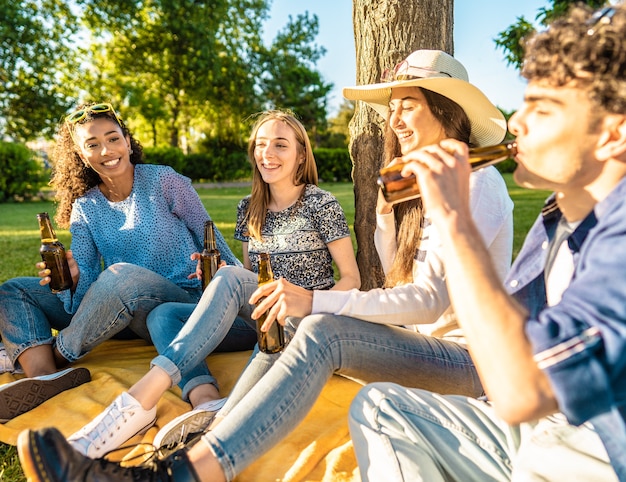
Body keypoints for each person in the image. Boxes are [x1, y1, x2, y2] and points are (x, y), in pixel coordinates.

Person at [15, 50, 515, 481]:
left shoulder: (478, 181)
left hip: (466, 358)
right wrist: (388, 220)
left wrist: (311, 298)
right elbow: (401, 281)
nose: (396, 119)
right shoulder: (414, 186)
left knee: (317, 328)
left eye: (409, 105)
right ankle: (196, 426)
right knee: (237, 298)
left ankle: (150, 427)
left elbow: (429, 301)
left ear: (447, 112)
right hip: (405, 339)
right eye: (393, 108)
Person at [347, 4, 626, 481]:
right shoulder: (559, 216)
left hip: (593, 449)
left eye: (541, 107)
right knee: (379, 407)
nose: (517, 123)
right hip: (526, 428)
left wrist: (453, 219)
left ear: (611, 135)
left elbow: (522, 387)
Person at [64, 109, 361, 458]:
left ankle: (192, 417)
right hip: (259, 316)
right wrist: (218, 273)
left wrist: (307, 303)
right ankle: (204, 399)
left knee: (254, 341)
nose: (268, 153)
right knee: (163, 316)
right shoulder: (249, 208)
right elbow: (249, 278)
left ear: (300, 154)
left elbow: (351, 279)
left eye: (280, 145)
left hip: (303, 316)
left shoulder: (320, 203)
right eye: (261, 145)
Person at [0, 102, 239, 422]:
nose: (106, 150)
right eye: (92, 144)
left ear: (127, 140)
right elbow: (84, 290)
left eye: (113, 138)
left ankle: (59, 354)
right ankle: (44, 376)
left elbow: (214, 242)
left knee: (119, 277)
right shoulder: (85, 207)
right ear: (81, 155)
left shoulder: (164, 181)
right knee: (15, 289)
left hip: (180, 301)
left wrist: (229, 278)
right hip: (115, 309)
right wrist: (71, 280)